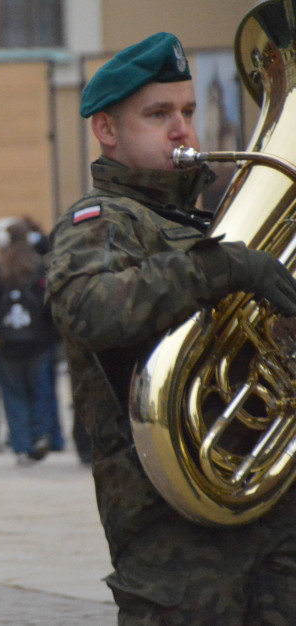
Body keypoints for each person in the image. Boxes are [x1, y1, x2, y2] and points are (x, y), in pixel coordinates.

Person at [46, 32, 296, 623]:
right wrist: (223, 268)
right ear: (107, 131)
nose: (182, 129)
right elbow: (87, 306)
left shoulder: (208, 221)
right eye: (158, 115)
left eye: (186, 111)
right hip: (174, 537)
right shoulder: (100, 222)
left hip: (272, 511)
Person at [0, 221, 59, 466]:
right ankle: (40, 436)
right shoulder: (39, 267)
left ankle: (21, 445)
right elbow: (50, 303)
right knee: (40, 391)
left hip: (8, 343)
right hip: (38, 341)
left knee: (13, 394)